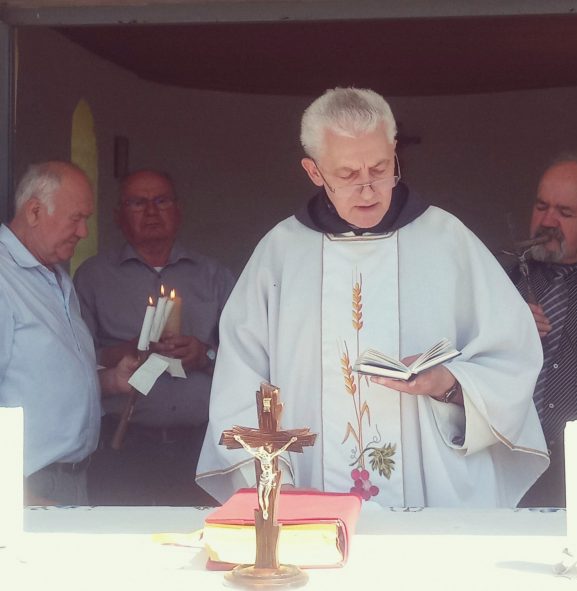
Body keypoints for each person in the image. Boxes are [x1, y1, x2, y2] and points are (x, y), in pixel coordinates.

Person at [196, 87, 549, 508]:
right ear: (314, 171)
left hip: (431, 492)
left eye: (380, 169)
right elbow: (240, 379)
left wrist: (448, 384)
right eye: (348, 175)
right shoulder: (281, 254)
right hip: (308, 486)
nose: (368, 190)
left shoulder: (447, 241)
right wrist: (277, 481)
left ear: (394, 154)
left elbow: (512, 358)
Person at [74, 169, 235, 505]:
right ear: (118, 215)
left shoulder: (213, 276)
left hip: (201, 447)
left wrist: (203, 354)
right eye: (138, 203)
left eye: (161, 201)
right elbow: (75, 360)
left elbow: (245, 357)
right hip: (123, 444)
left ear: (178, 209)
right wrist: (128, 350)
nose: (151, 211)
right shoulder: (93, 277)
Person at [0, 161, 136, 506]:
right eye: (76, 218)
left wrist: (109, 381)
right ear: (34, 211)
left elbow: (42, 378)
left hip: (70, 479)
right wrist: (12, 493)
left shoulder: (56, 278)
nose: (84, 232)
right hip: (26, 486)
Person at [509, 158, 577, 507]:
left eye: (565, 212)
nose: (548, 221)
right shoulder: (502, 282)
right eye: (541, 206)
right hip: (506, 472)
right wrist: (502, 329)